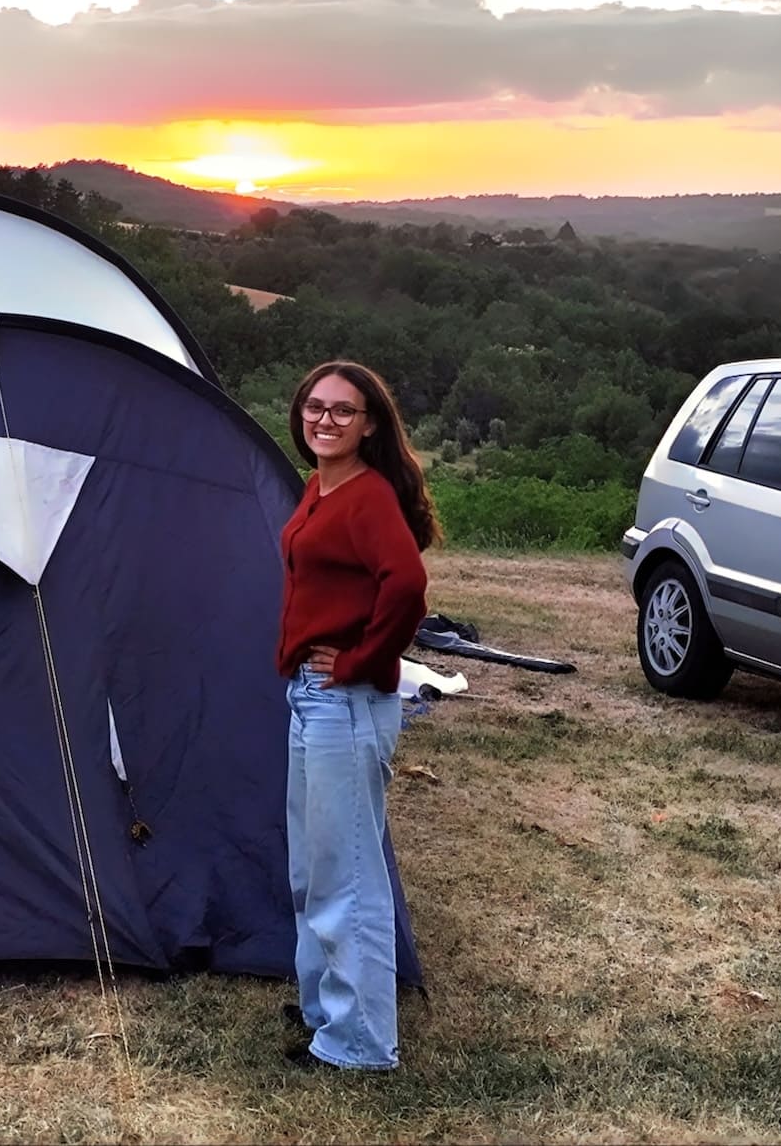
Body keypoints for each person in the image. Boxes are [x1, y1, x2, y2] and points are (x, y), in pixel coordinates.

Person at [276, 359, 437, 1071]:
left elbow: (407, 586)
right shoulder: (320, 485)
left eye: (343, 410)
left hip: (344, 702)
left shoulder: (368, 496)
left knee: (347, 876)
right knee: (314, 868)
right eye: (315, 406)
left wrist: (359, 660)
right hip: (313, 699)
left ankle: (361, 1042)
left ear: (370, 424)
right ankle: (325, 1008)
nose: (325, 420)